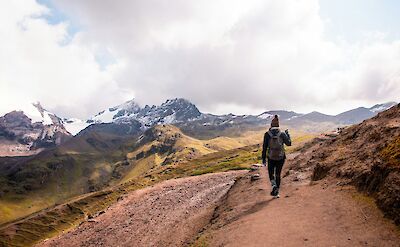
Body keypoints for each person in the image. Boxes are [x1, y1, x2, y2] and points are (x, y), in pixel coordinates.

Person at [262, 115, 291, 198]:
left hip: (271, 157)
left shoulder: (267, 134)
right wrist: (288, 134)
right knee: (278, 174)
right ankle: (277, 193)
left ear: (271, 125)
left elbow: (264, 147)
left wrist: (263, 159)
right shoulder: (282, 134)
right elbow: (289, 144)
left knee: (271, 174)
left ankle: (274, 186)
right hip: (281, 157)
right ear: (278, 125)